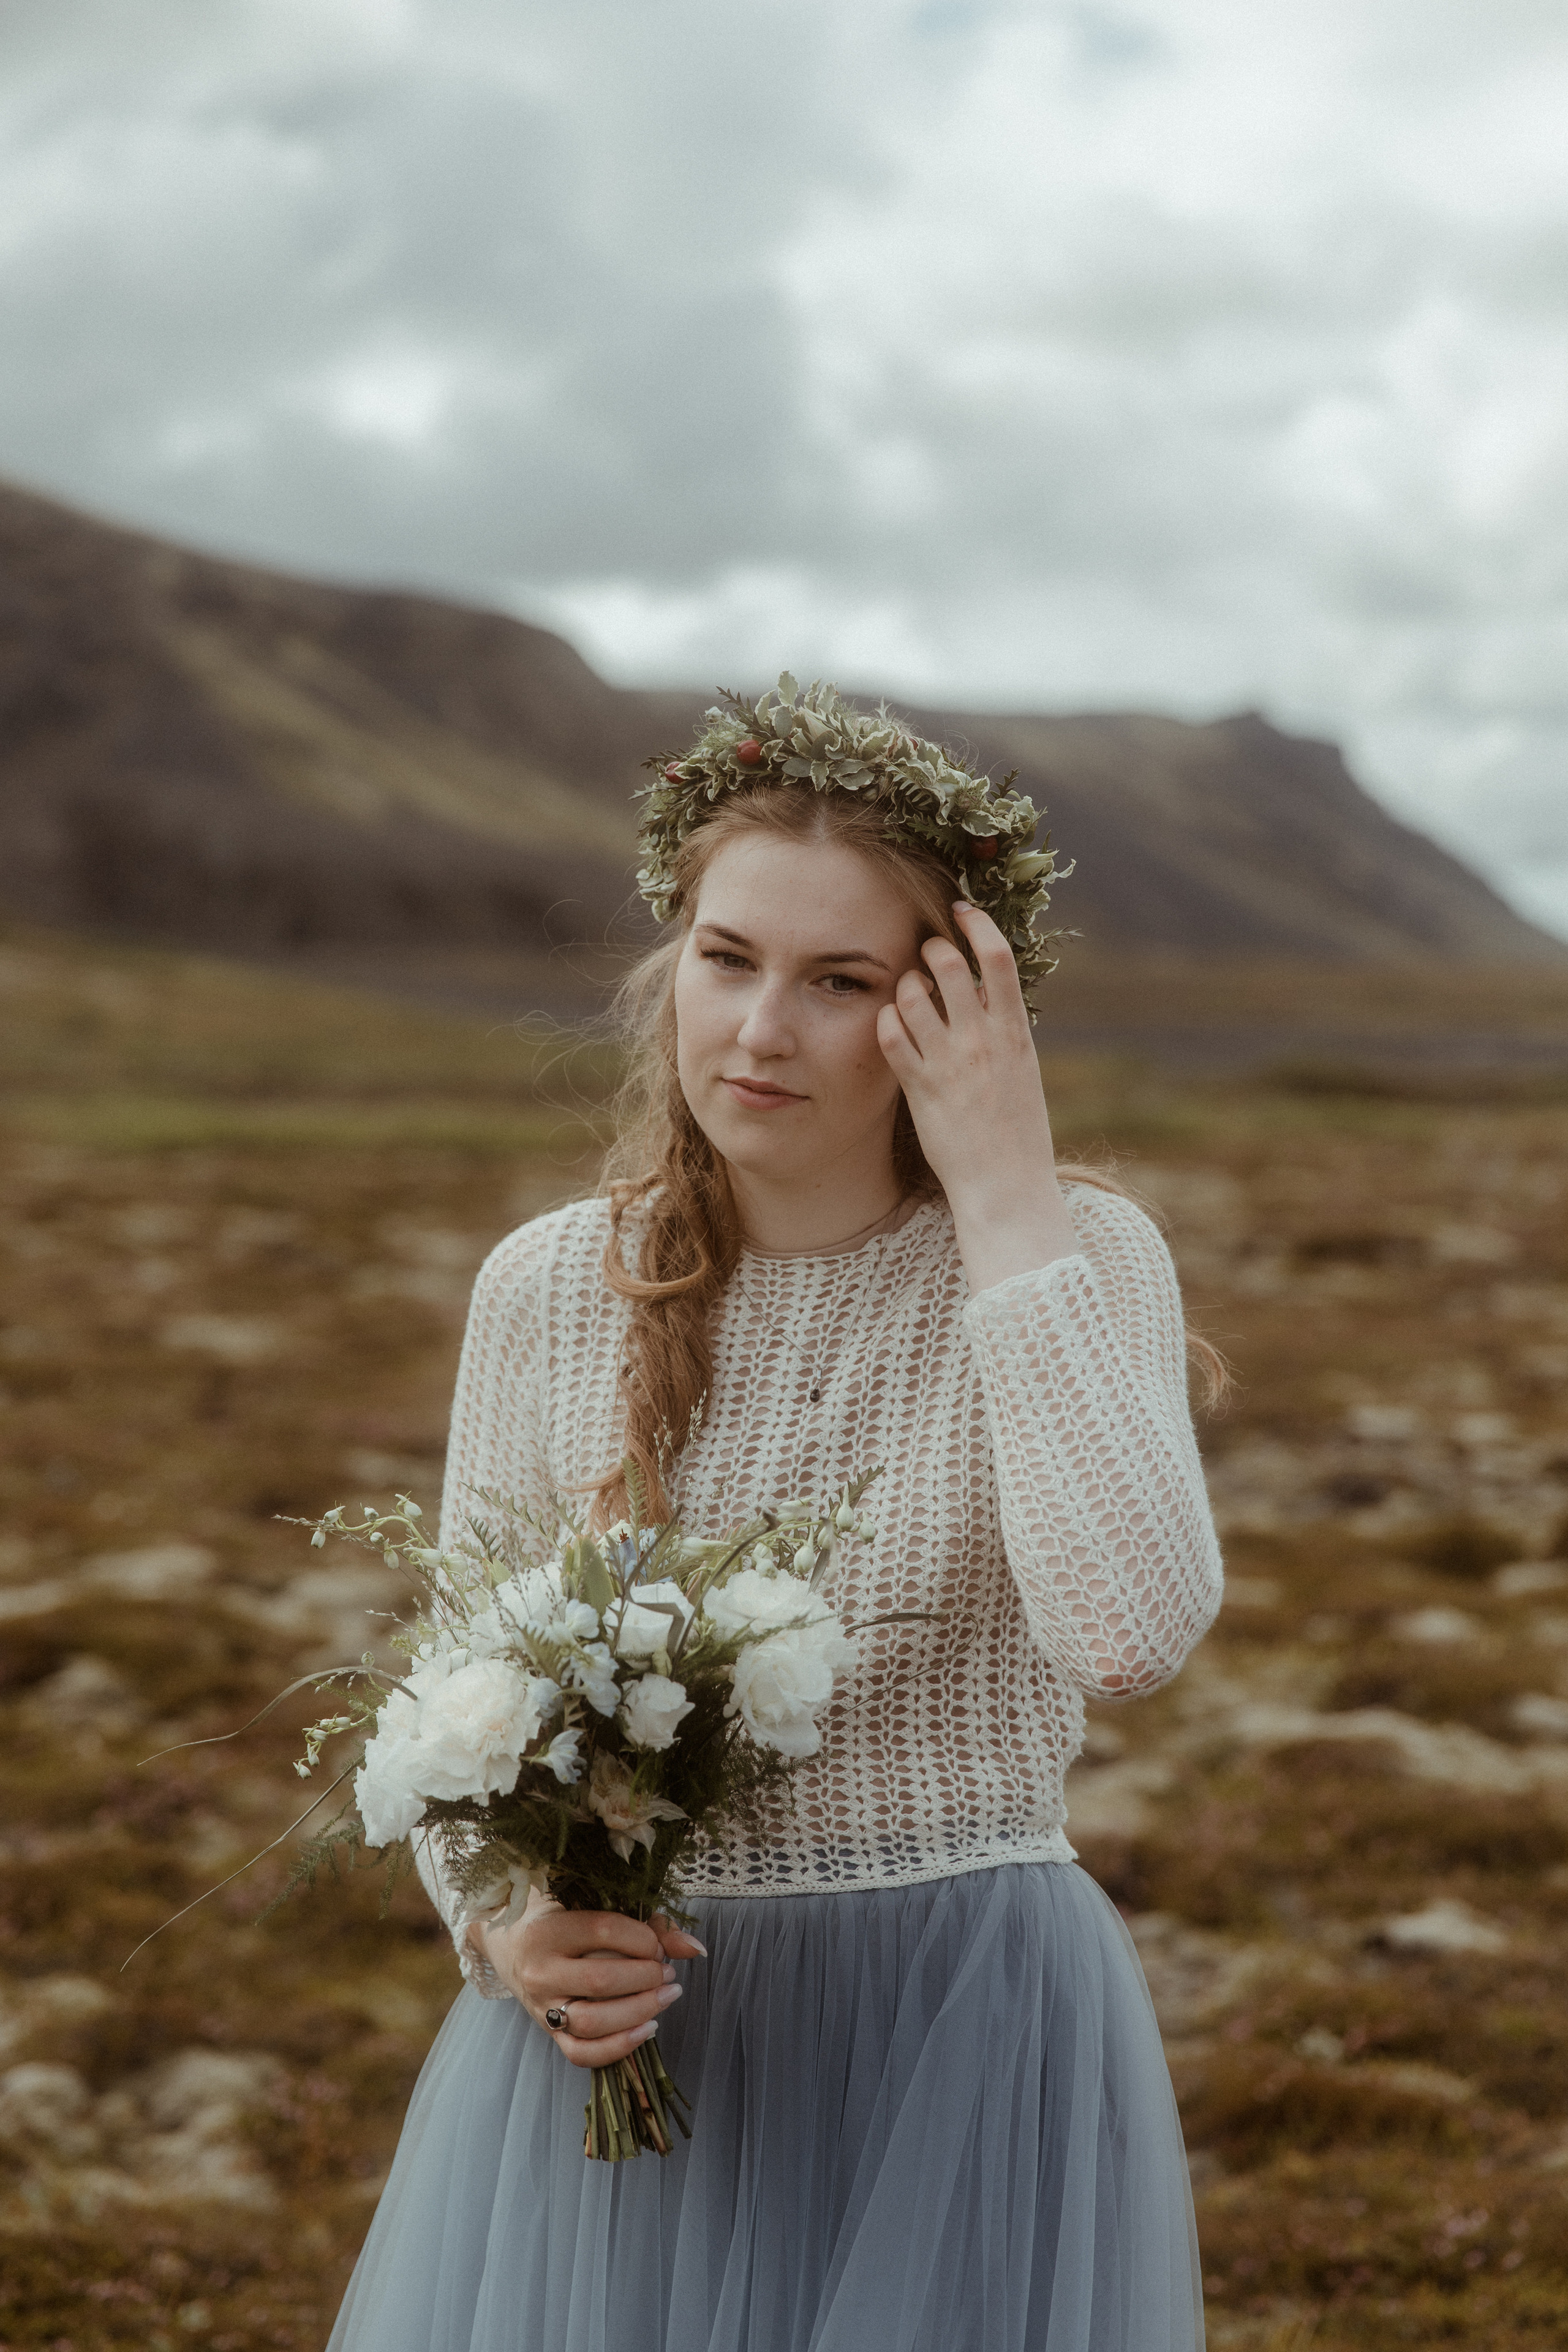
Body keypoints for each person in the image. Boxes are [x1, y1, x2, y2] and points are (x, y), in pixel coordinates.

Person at [327, 680, 1224, 2352]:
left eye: (842, 983)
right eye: (730, 961)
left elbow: (1130, 1637)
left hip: (959, 2041)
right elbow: (459, 1706)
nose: (760, 1030)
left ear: (951, 1013)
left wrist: (1010, 1189)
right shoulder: (544, 1290)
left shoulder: (1076, 1259)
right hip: (637, 2042)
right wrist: (509, 1927)